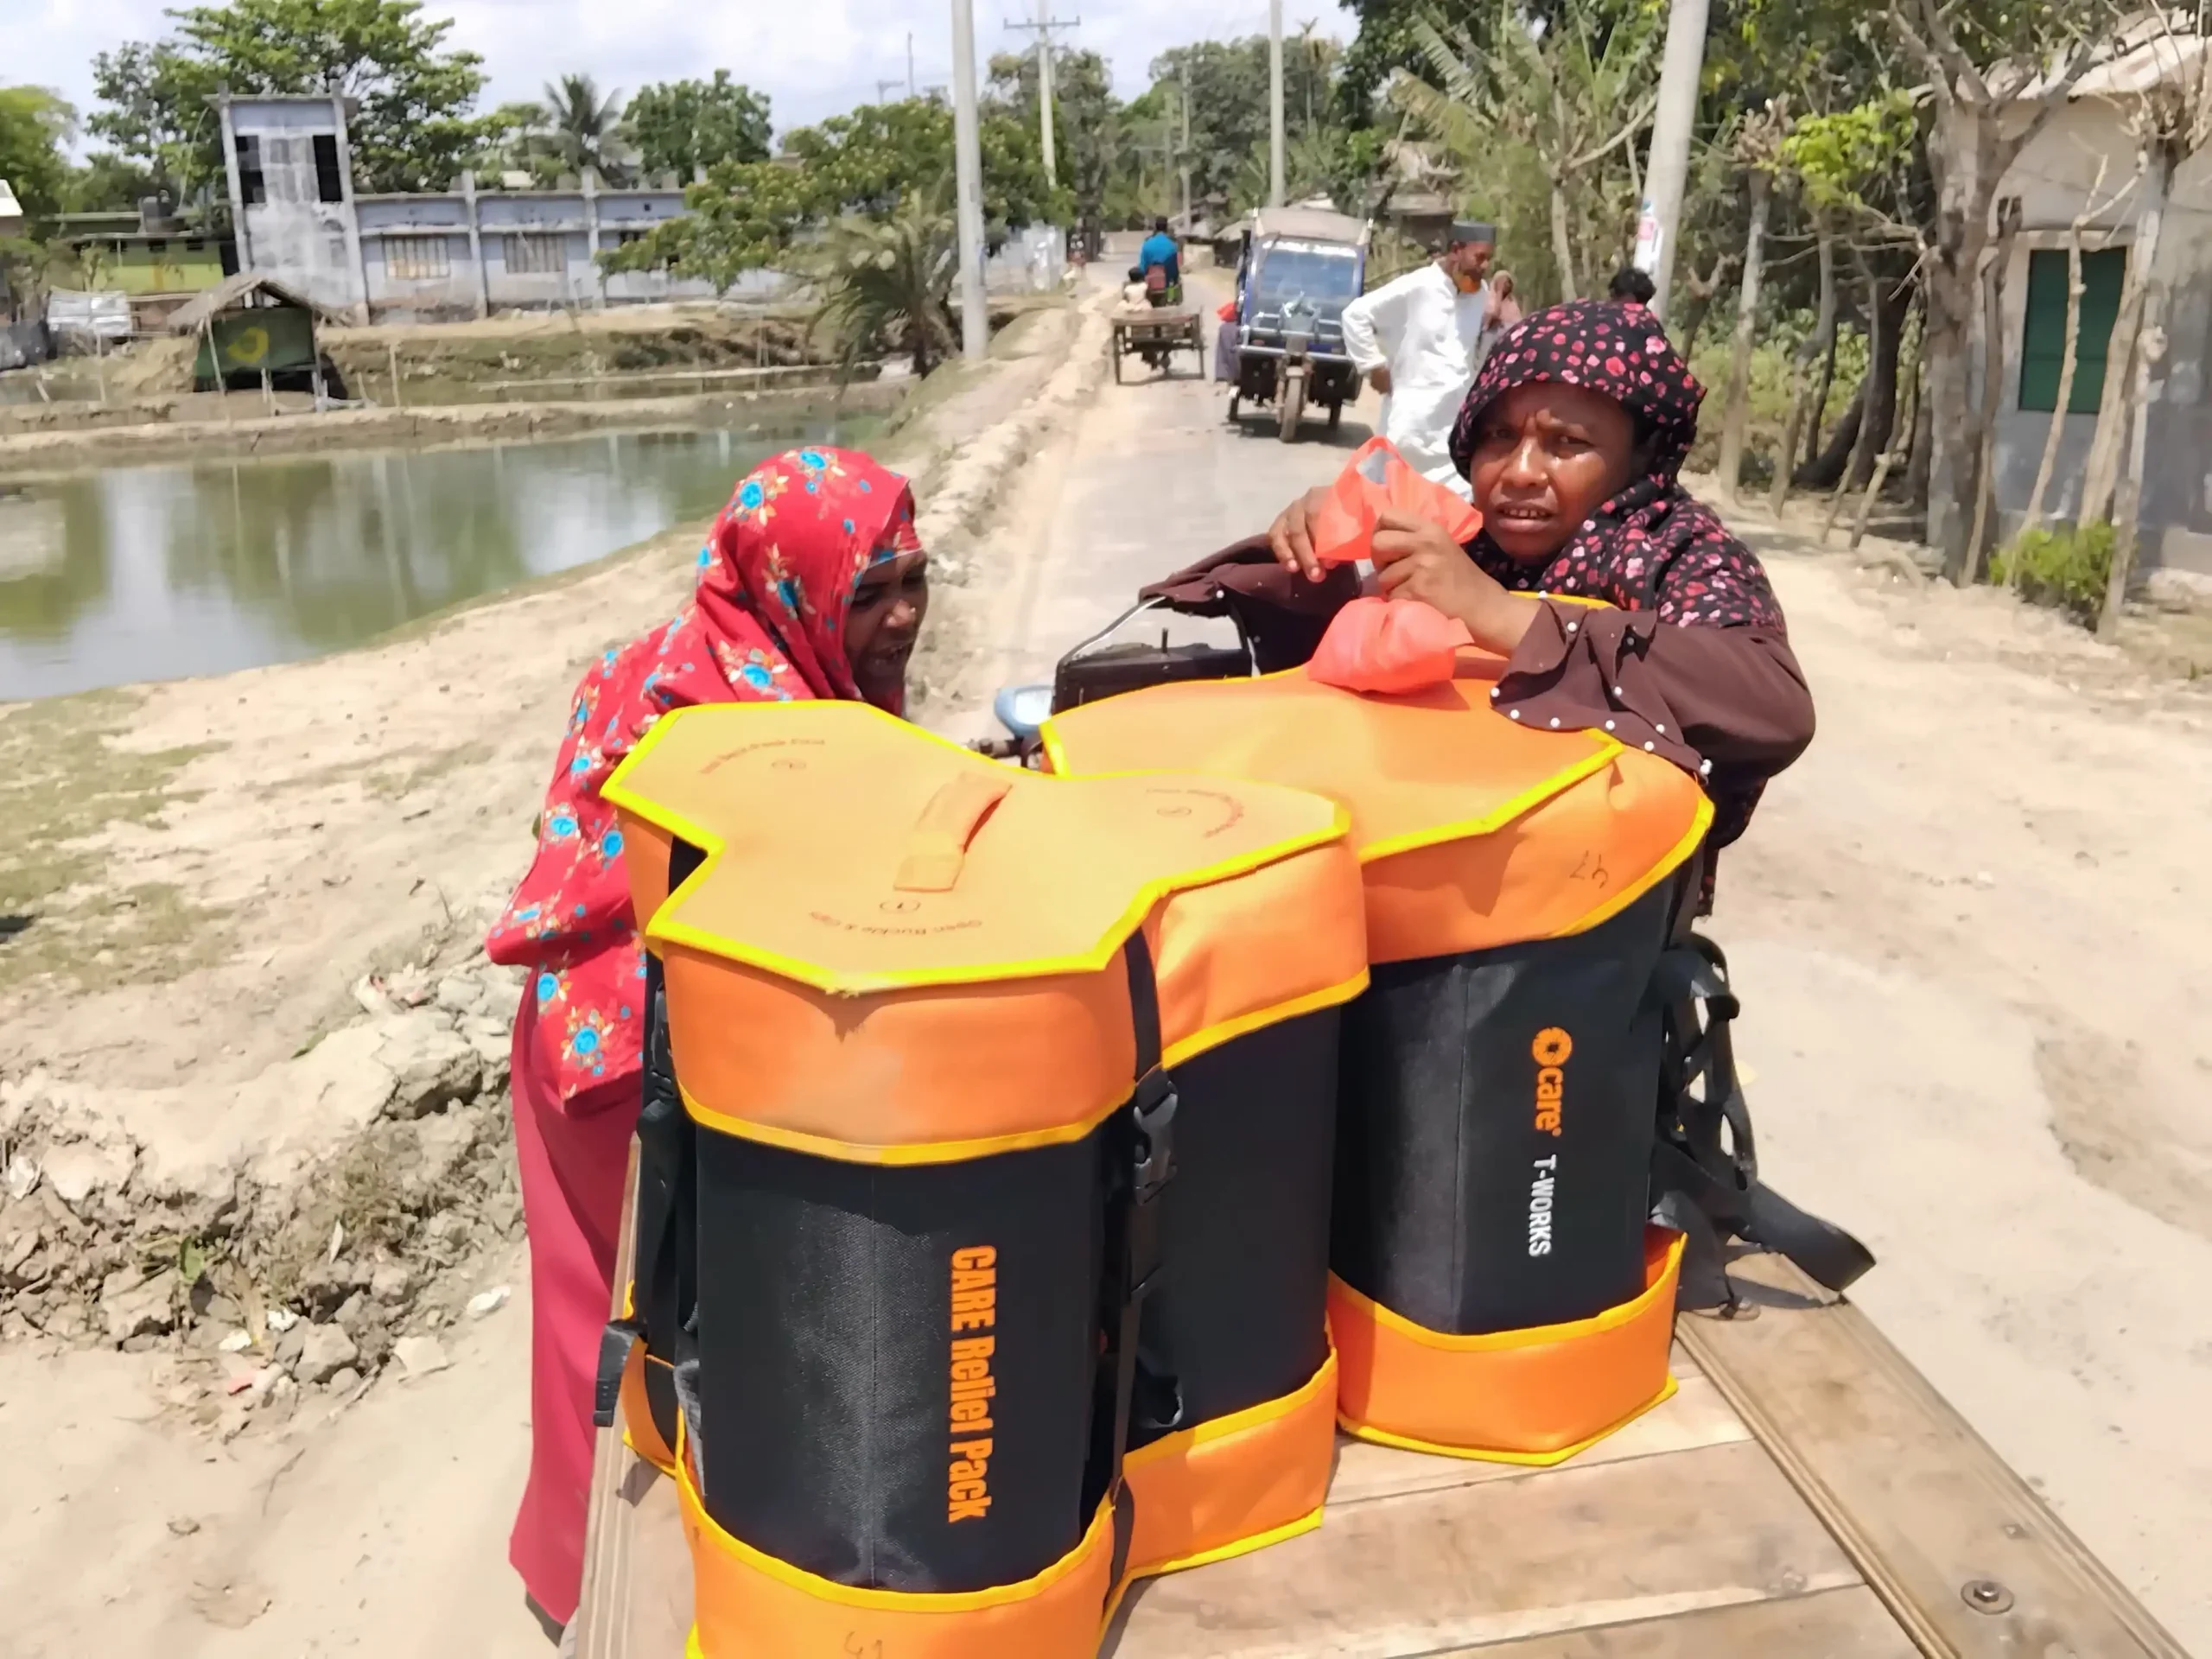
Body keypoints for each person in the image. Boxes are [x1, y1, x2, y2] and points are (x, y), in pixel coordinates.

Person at [485, 446, 930, 1640]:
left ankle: (571, 1575)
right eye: (868, 589)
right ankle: (682, 1598)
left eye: (912, 580)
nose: (898, 617)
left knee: (589, 1319)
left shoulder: (668, 660)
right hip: (647, 1064)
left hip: (570, 1040)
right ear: (796, 586)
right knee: (701, 1337)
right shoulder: (782, 734)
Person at [1265, 298, 1813, 902]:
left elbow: (1775, 705)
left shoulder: (1677, 552)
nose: (1520, 471)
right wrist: (1321, 557)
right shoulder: (1467, 540)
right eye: (1499, 436)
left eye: (1566, 443)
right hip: (1436, 887)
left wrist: (1506, 617)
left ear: (1641, 455)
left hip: (1590, 934)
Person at [1338, 219, 1497, 499]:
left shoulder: (1480, 295)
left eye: (1489, 260)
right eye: (1479, 258)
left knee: (1450, 511)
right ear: (1456, 251)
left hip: (1450, 431)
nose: (1484, 266)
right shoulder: (1419, 287)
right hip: (1409, 427)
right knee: (1389, 502)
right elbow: (1355, 316)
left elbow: (1478, 352)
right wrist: (1373, 366)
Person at [1472, 268, 1523, 373]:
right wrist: (1499, 293)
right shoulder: (1489, 300)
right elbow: (1495, 314)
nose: (1505, 285)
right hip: (1491, 342)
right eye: (1502, 282)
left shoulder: (1512, 304)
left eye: (1507, 282)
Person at [1136, 216, 1182, 299]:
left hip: (1150, 281)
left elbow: (1143, 266)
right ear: (1167, 227)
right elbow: (1177, 265)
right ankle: (1170, 297)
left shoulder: (1147, 243)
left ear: (1155, 227)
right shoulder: (1173, 244)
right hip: (1169, 280)